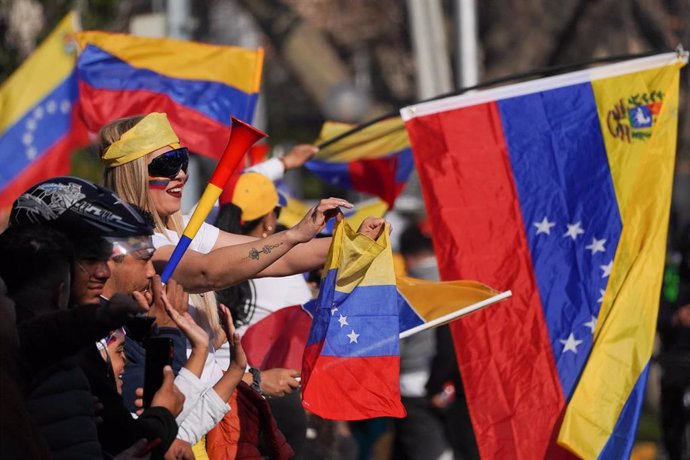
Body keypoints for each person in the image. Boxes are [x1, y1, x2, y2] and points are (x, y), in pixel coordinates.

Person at [98, 112, 385, 390]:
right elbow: (206, 271)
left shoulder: (186, 227)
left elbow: (280, 260)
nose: (182, 174)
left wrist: (353, 243)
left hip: (204, 405)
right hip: (172, 404)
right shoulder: (134, 242)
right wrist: (293, 235)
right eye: (167, 164)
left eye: (182, 160)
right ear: (132, 172)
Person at [8, 177, 186, 458]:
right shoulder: (47, 347)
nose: (103, 272)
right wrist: (164, 413)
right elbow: (131, 442)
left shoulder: (67, 336)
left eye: (106, 256)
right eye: (91, 258)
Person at [214, 172, 313, 455]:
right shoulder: (285, 273)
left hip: (211, 399)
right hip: (264, 400)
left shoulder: (200, 259)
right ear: (270, 219)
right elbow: (310, 329)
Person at [392, 220, 480, 460]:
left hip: (414, 381)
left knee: (426, 448)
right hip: (458, 382)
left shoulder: (402, 288)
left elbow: (394, 342)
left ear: (407, 257)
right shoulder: (461, 281)